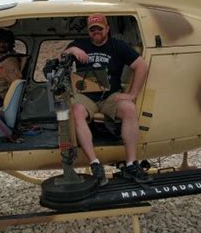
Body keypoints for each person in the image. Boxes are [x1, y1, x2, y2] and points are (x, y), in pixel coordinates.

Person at [64, 13, 150, 186]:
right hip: (86, 96)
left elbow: (141, 65)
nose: (96, 32)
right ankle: (95, 163)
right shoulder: (80, 44)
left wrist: (132, 94)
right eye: (92, 29)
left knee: (129, 109)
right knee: (76, 111)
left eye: (100, 29)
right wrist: (71, 50)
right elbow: (62, 57)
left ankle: (131, 164)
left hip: (111, 96)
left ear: (107, 29)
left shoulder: (118, 46)